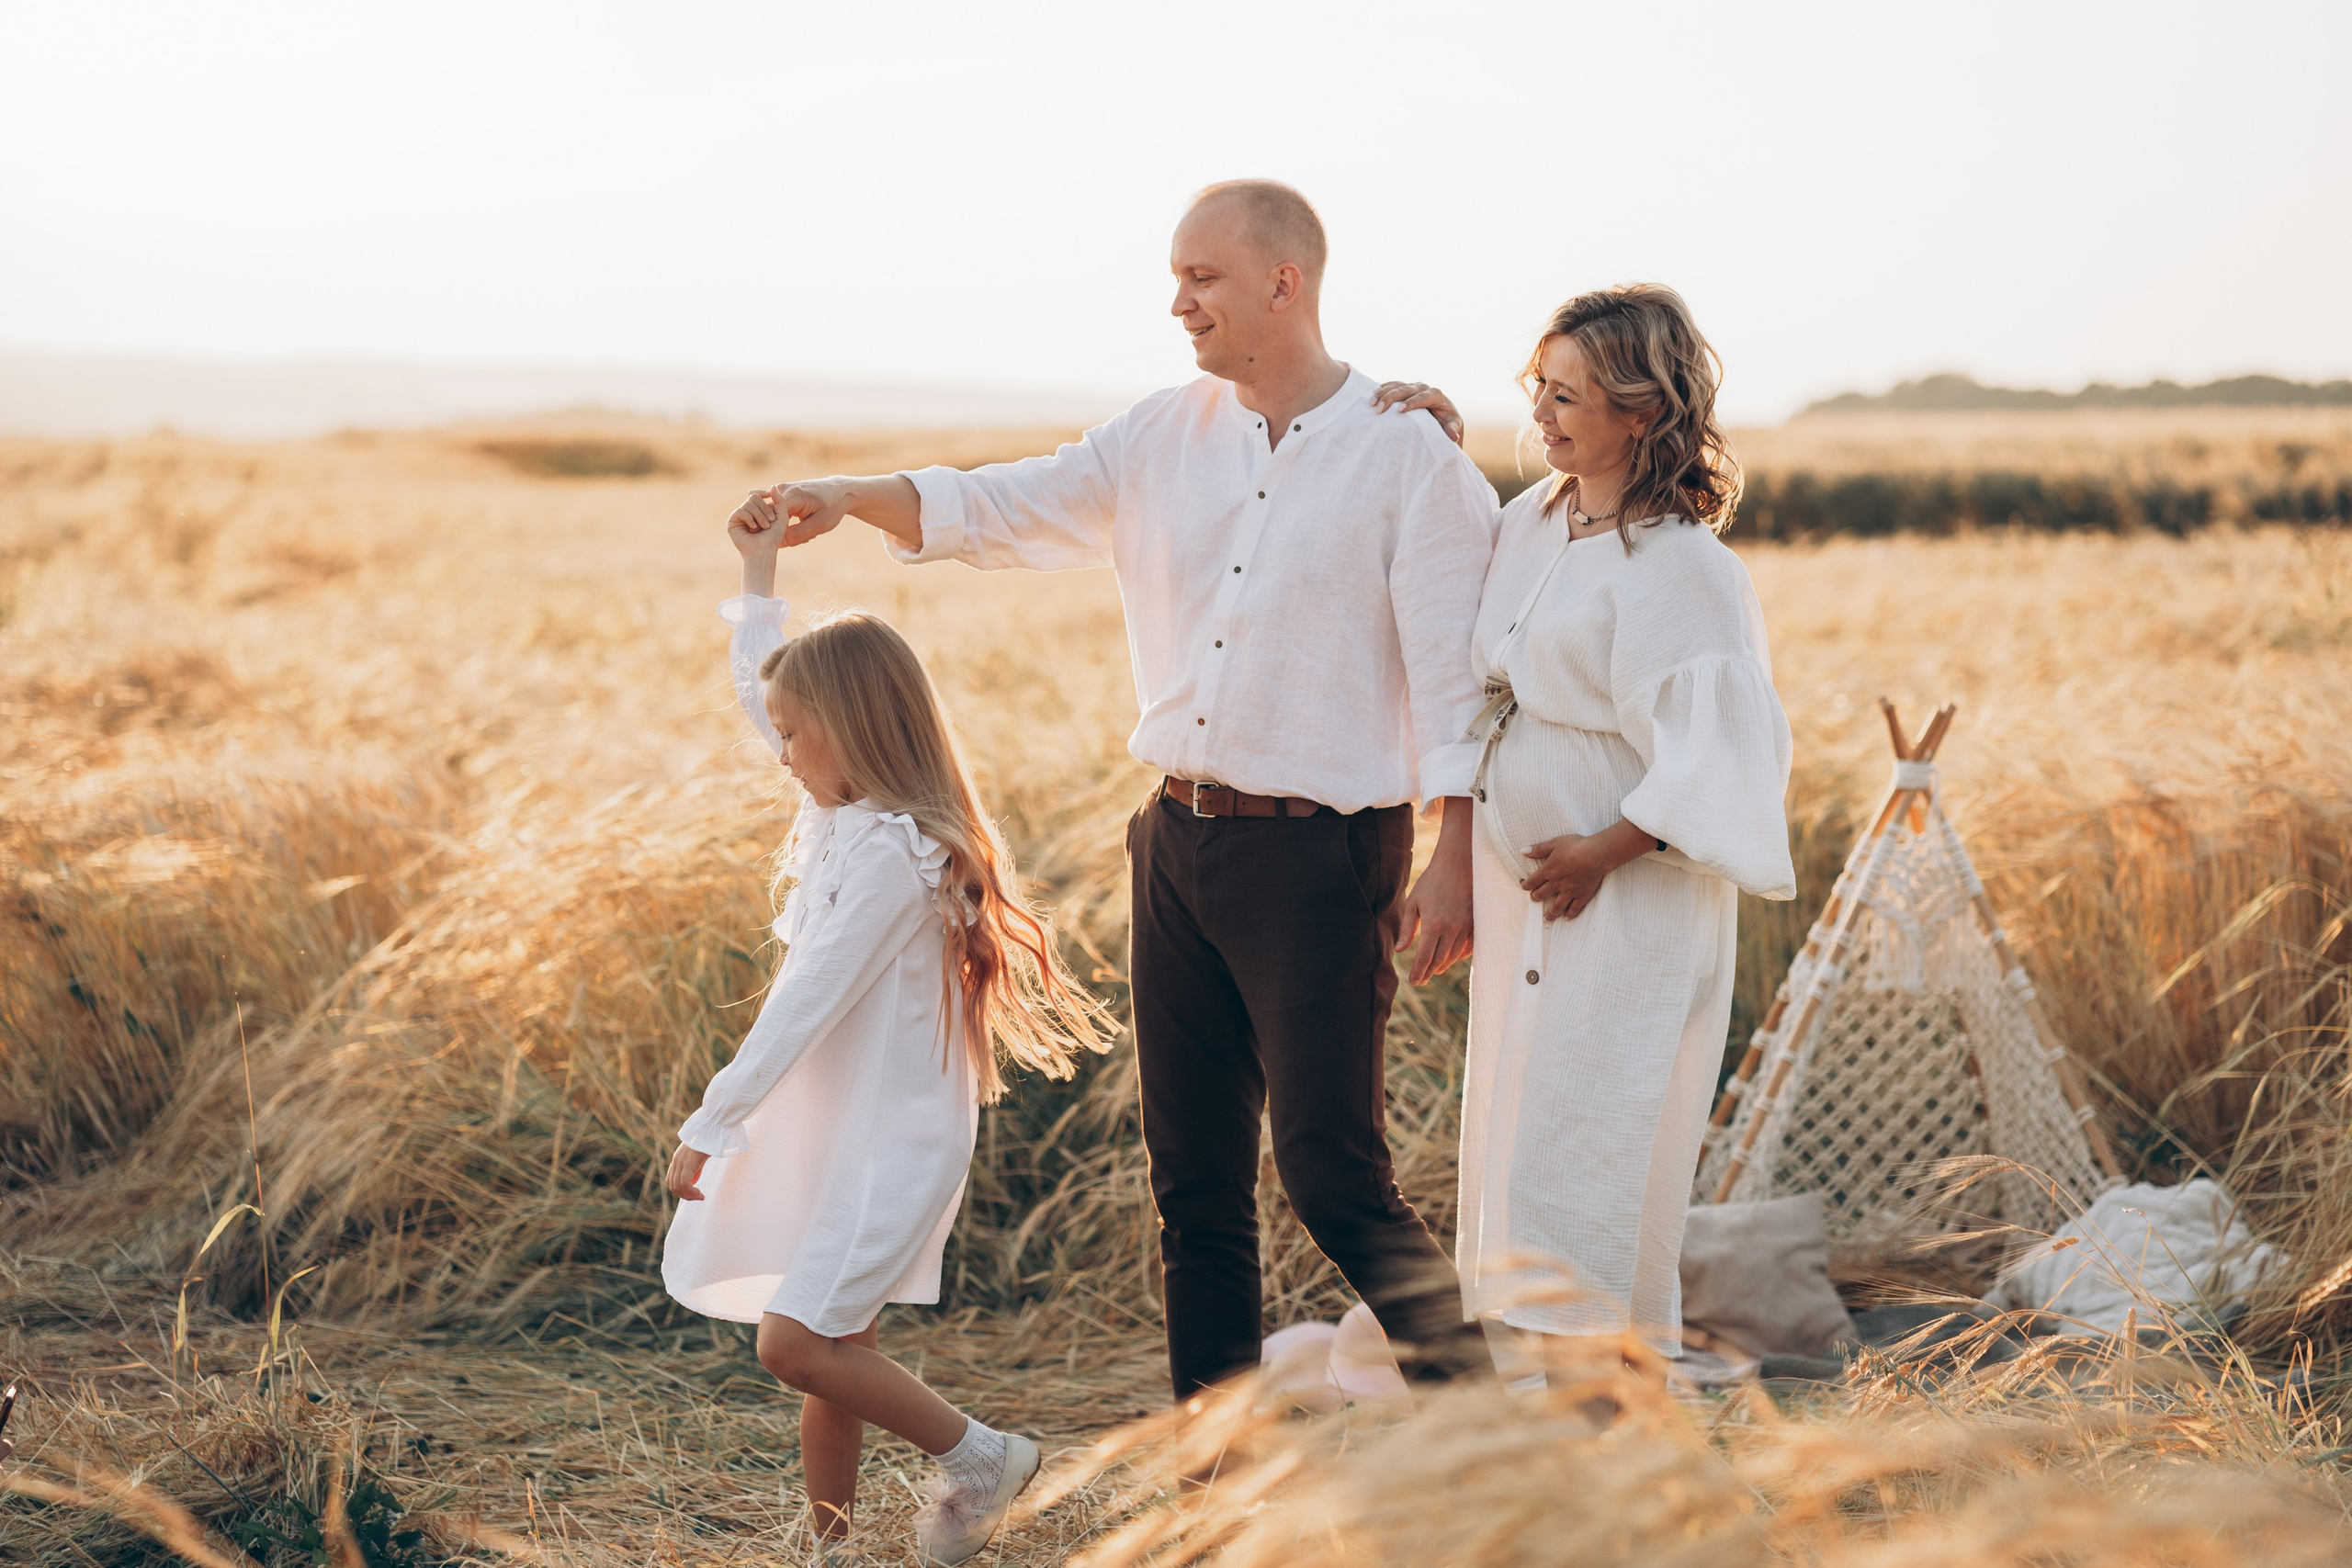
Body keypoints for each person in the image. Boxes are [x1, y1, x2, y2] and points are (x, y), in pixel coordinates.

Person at [731, 179, 1496, 1400]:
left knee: (1333, 1171)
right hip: (1175, 841)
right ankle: (1215, 1471)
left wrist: (1457, 849)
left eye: (1201, 276)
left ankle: (1498, 1451)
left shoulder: (1410, 457)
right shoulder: (1159, 435)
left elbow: (1459, 678)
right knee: (1192, 1182)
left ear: (1282, 283)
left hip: (1324, 856)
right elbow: (1000, 503)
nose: (1177, 300)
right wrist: (852, 495)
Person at [661, 505, 1110, 1563]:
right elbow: (755, 694)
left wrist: (711, 1125)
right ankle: (831, 1548)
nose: (776, 753)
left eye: (793, 735)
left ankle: (983, 1458)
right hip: (847, 1129)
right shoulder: (841, 816)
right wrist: (758, 574)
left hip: (888, 1142)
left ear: (851, 736)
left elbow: (803, 999)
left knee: (796, 1344)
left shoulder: (888, 858)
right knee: (836, 1346)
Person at [1381, 286, 1796, 1380]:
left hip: (1627, 906)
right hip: (1535, 904)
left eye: (1571, 397)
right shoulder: (1532, 519)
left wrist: (1608, 847)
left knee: (1593, 1147)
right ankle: (1548, 1425)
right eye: (1540, 390)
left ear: (1642, 413)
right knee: (1522, 1145)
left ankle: (1610, 1429)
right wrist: (1439, 456)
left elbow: (1726, 760)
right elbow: (1485, 661)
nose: (1546, 415)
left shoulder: (1684, 571)